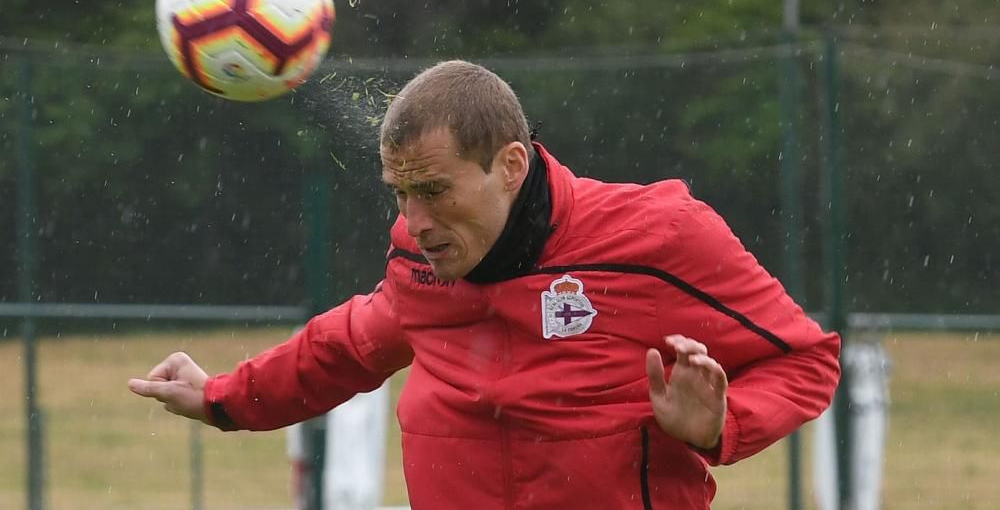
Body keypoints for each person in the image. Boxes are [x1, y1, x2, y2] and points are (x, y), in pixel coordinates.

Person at [129, 60, 841, 509]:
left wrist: (722, 424)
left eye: (435, 190)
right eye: (399, 193)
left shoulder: (658, 236)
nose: (415, 221)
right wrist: (221, 396)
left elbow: (809, 360)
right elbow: (347, 345)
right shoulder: (418, 260)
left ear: (509, 165)